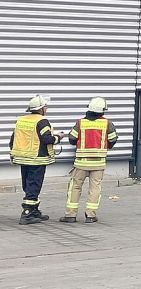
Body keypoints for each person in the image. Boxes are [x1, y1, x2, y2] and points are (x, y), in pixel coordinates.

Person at [59, 97, 118, 223]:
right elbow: (113, 140)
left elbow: (72, 139)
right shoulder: (107, 123)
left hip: (81, 162)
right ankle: (90, 215)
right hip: (98, 163)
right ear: (102, 111)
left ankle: (70, 215)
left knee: (75, 187)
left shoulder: (80, 123)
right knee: (95, 188)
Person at [10, 95, 63, 225]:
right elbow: (46, 139)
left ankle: (34, 211)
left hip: (23, 157)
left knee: (28, 184)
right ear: (41, 109)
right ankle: (27, 214)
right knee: (34, 185)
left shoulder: (21, 120)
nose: (47, 109)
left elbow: (13, 138)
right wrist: (58, 137)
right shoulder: (42, 121)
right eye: (46, 107)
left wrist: (12, 153)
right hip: (36, 159)